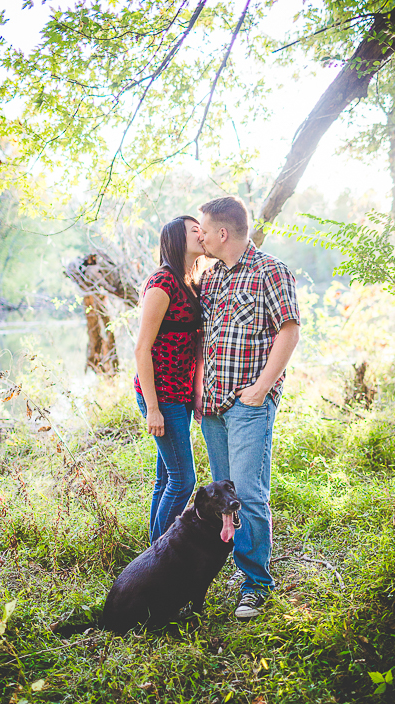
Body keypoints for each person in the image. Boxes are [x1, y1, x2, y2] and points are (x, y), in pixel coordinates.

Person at [196, 195, 300, 620]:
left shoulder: (270, 271)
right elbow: (205, 338)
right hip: (213, 406)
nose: (199, 235)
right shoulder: (212, 277)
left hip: (247, 405)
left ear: (223, 232)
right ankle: (231, 567)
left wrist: (260, 388)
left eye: (202, 229)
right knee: (224, 494)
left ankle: (256, 584)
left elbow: (289, 332)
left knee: (248, 494)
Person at [134, 215, 206, 546]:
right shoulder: (163, 284)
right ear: (177, 240)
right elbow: (141, 349)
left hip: (179, 394)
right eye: (195, 231)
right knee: (183, 479)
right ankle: (159, 555)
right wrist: (152, 408)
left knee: (166, 478)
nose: (202, 234)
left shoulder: (191, 281)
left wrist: (195, 392)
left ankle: (150, 555)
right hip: (160, 395)